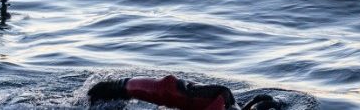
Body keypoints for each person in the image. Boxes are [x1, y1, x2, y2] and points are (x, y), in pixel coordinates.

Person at [88, 75, 282, 110]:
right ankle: (107, 91)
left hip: (172, 91)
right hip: (171, 90)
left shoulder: (230, 101)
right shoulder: (225, 98)